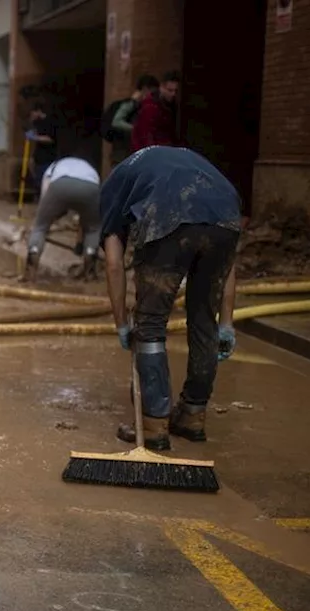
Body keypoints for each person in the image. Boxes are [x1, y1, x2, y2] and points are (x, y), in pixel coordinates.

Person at [99, 146, 242, 451]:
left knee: (150, 324)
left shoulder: (114, 185)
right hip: (226, 214)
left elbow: (113, 263)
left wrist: (123, 323)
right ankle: (193, 416)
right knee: (205, 320)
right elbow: (228, 266)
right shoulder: (192, 165)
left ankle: (154, 425)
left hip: (168, 214)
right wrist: (226, 323)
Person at [23, 157, 101, 282]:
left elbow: (45, 202)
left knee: (40, 227)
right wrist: (80, 243)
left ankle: (31, 267)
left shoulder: (52, 168)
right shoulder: (90, 169)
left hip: (60, 184)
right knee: (93, 229)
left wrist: (48, 221)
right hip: (90, 186)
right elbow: (85, 218)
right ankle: (90, 266)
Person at [104, 75, 159, 165]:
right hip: (122, 155)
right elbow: (116, 122)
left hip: (134, 155)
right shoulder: (130, 105)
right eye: (152, 93)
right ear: (145, 89)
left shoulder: (147, 106)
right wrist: (137, 129)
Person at [131, 71, 180, 152]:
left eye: (175, 91)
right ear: (161, 87)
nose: (173, 94)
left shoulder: (171, 106)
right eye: (170, 90)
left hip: (164, 151)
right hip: (151, 153)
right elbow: (145, 135)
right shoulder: (150, 106)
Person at [25, 102, 58, 188]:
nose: (32, 115)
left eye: (33, 113)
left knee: (45, 183)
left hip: (47, 159)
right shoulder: (37, 123)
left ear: (38, 111)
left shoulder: (50, 122)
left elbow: (50, 139)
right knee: (38, 182)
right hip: (38, 159)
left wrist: (35, 137)